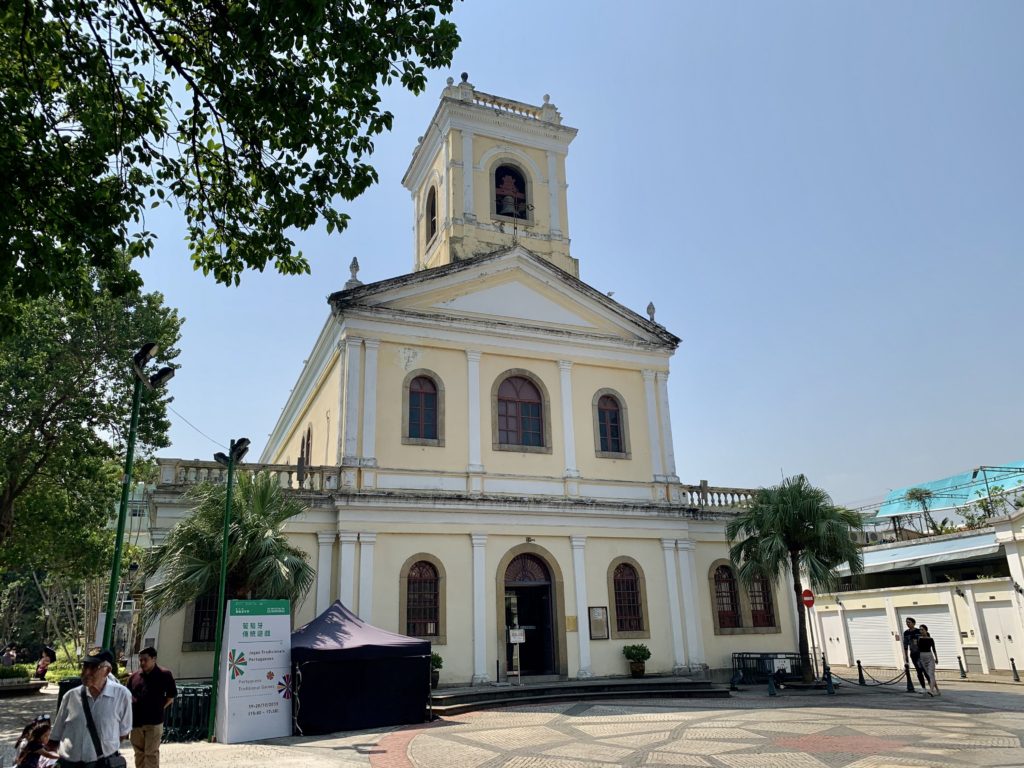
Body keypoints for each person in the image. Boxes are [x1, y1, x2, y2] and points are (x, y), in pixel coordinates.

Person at [47, 647, 132, 767]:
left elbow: (123, 733)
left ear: (107, 671)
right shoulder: (70, 696)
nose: (86, 672)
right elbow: (55, 735)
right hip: (70, 764)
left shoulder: (122, 695)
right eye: (85, 666)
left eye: (93, 667)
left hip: (101, 765)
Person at [126, 647, 177, 768]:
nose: (142, 663)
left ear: (154, 659)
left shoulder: (164, 675)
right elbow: (127, 698)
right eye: (141, 660)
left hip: (154, 722)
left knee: (151, 754)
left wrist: (158, 708)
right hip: (136, 723)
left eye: (145, 660)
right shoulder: (134, 677)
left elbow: (170, 697)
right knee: (139, 754)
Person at [902, 617, 928, 691]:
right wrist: (906, 656)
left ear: (913, 623)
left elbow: (926, 639)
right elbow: (905, 645)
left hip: (921, 653)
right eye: (906, 622)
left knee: (924, 670)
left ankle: (931, 685)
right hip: (913, 654)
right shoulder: (906, 633)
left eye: (909, 622)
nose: (907, 624)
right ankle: (923, 688)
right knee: (919, 670)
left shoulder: (918, 631)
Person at [917, 624, 941, 696]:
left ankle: (931, 690)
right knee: (929, 674)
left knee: (931, 674)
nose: (921, 631)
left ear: (926, 630)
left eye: (922, 629)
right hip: (922, 656)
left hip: (929, 656)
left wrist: (936, 658)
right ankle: (937, 690)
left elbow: (933, 649)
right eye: (920, 630)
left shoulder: (930, 639)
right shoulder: (919, 638)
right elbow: (918, 649)